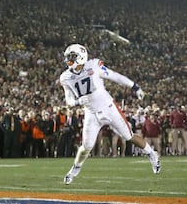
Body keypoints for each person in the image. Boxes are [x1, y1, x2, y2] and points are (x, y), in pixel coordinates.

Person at [59, 43, 161, 185]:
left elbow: (114, 76)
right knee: (86, 146)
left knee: (128, 136)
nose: (69, 60)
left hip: (108, 107)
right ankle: (76, 168)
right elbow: (69, 100)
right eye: (68, 57)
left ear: (81, 57)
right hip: (91, 113)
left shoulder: (93, 66)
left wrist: (134, 86)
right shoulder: (65, 77)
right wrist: (77, 102)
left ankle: (151, 153)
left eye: (72, 57)